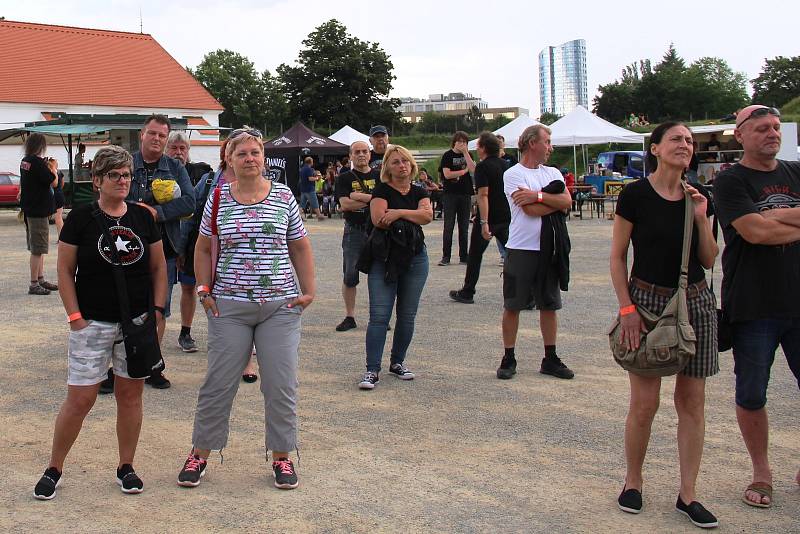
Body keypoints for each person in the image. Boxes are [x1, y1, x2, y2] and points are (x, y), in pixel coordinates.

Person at [177, 128, 315, 490]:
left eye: (256, 152)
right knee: (218, 384)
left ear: (263, 158)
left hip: (280, 307)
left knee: (281, 384)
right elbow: (204, 247)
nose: (250, 159)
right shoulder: (219, 198)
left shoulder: (284, 196)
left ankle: (282, 457)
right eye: (242, 154)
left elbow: (299, 246)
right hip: (229, 306)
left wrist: (309, 291)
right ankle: (199, 454)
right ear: (230, 160)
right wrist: (204, 289)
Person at [33, 145, 167, 500]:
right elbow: (64, 270)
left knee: (130, 396)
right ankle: (54, 467)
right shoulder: (81, 218)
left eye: (126, 174)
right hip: (92, 322)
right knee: (80, 399)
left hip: (135, 323)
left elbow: (158, 268)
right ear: (97, 181)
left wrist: (156, 311)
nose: (122, 181)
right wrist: (75, 317)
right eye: (114, 175)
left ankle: (126, 466)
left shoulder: (143, 217)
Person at [610, 121, 720, 528]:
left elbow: (708, 259)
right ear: (654, 148)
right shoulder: (635, 195)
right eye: (676, 139)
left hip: (695, 302)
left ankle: (688, 493)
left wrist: (702, 216)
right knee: (645, 402)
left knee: (692, 402)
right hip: (647, 301)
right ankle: (633, 480)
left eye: (689, 141)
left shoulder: (700, 195)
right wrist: (626, 309)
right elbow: (618, 255)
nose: (685, 145)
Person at [713, 104, 800, 508]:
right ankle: (762, 473)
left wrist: (777, 216)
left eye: (776, 128)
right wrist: (781, 220)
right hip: (752, 305)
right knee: (752, 393)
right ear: (741, 134)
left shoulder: (796, 172)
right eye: (762, 128)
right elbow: (755, 232)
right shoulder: (730, 182)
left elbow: (766, 224)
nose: (772, 133)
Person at [106, 114, 194, 391]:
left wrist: (157, 212)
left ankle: (152, 364)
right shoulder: (125, 164)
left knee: (158, 310)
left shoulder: (175, 168)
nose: (157, 139)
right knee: (123, 307)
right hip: (125, 248)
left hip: (164, 249)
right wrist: (134, 211)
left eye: (162, 135)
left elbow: (190, 202)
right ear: (142, 134)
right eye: (152, 133)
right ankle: (119, 367)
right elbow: (109, 197)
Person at [497, 125, 574, 381]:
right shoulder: (512, 174)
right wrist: (549, 201)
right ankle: (508, 357)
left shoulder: (552, 173)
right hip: (521, 247)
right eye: (548, 141)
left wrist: (537, 196)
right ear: (532, 143)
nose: (551, 147)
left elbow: (567, 203)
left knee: (549, 304)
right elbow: (529, 210)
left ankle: (550, 357)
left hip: (549, 247)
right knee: (513, 304)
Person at [358, 145, 432, 390]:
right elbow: (380, 218)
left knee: (407, 315)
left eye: (405, 161)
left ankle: (398, 362)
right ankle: (372, 369)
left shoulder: (420, 190)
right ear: (387, 168)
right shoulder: (381, 190)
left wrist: (399, 211)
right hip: (385, 258)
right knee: (379, 316)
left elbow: (427, 216)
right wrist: (413, 214)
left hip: (415, 257)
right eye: (396, 162)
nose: (402, 166)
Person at [449, 132, 510, 304]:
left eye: (478, 146)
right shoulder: (505, 165)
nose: (476, 148)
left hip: (489, 217)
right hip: (506, 215)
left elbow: (483, 195)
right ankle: (527, 294)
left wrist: (483, 221)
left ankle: (468, 291)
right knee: (514, 254)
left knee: (475, 254)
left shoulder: (483, 167)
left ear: (483, 148)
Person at [167, 131, 212, 353]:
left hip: (192, 241)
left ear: (188, 151)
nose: (178, 153)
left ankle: (186, 332)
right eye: (173, 148)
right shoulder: (159, 173)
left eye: (182, 148)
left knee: (192, 287)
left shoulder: (202, 173)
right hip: (164, 241)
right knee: (161, 291)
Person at [334, 141, 378, 332]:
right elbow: (344, 205)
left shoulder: (380, 176)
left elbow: (386, 201)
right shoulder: (343, 178)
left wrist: (358, 196)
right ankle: (350, 316)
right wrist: (373, 200)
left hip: (377, 230)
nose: (361, 154)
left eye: (364, 151)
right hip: (354, 230)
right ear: (350, 155)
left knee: (378, 275)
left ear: (370, 154)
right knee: (350, 275)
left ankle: (378, 317)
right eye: (357, 152)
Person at [19, 132, 58, 295]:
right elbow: (53, 181)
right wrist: (53, 168)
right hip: (39, 211)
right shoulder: (37, 162)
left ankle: (40, 279)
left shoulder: (25, 161)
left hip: (30, 209)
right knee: (38, 249)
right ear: (40, 146)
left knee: (38, 247)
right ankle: (34, 283)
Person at [438, 131, 476, 266]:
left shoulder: (468, 155)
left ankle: (464, 256)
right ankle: (446, 256)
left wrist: (465, 153)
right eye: (459, 142)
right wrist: (463, 171)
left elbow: (473, 169)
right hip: (450, 194)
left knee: (464, 226)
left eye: (464, 142)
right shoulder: (447, 156)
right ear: (454, 142)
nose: (462, 144)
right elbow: (447, 175)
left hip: (465, 193)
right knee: (448, 226)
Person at [299, 156, 324, 221]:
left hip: (303, 188)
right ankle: (319, 216)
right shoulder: (309, 169)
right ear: (311, 162)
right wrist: (317, 178)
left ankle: (298, 217)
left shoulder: (302, 169)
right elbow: (310, 178)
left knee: (302, 204)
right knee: (315, 202)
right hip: (309, 189)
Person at [47, 157, 65, 235]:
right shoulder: (60, 172)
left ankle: (61, 236)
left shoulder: (51, 172)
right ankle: (61, 235)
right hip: (60, 193)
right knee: (59, 216)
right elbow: (62, 184)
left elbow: (54, 184)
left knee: (57, 217)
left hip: (54, 195)